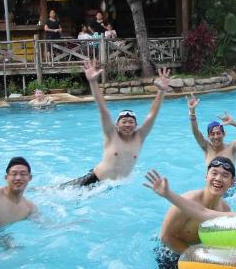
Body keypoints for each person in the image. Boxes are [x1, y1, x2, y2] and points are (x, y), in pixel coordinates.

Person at [60, 59, 172, 187]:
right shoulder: (111, 135)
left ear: (136, 125)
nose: (127, 124)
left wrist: (161, 91)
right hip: (93, 182)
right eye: (124, 121)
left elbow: (152, 114)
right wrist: (93, 82)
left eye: (131, 122)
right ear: (117, 124)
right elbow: (103, 109)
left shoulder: (139, 137)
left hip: (113, 187)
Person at [155, 157, 235, 269]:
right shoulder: (188, 201)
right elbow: (165, 236)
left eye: (225, 175)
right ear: (206, 176)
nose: (218, 178)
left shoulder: (225, 210)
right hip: (170, 252)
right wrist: (197, 257)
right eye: (214, 173)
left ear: (232, 182)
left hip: (196, 254)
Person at [186, 93, 236, 166]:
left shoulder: (232, 147)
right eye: (212, 134)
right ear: (208, 136)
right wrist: (192, 112)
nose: (216, 137)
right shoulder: (206, 147)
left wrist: (234, 123)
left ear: (224, 134)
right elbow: (195, 132)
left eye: (218, 133)